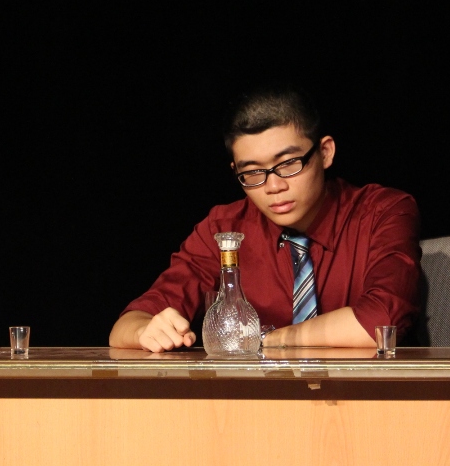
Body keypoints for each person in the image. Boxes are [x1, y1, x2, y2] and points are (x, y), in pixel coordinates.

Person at [109, 86, 420, 352]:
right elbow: (127, 326)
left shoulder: (383, 212)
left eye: (288, 164)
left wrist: (270, 340)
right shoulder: (224, 228)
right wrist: (146, 331)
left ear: (325, 152)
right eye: (253, 172)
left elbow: (381, 324)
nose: (273, 186)